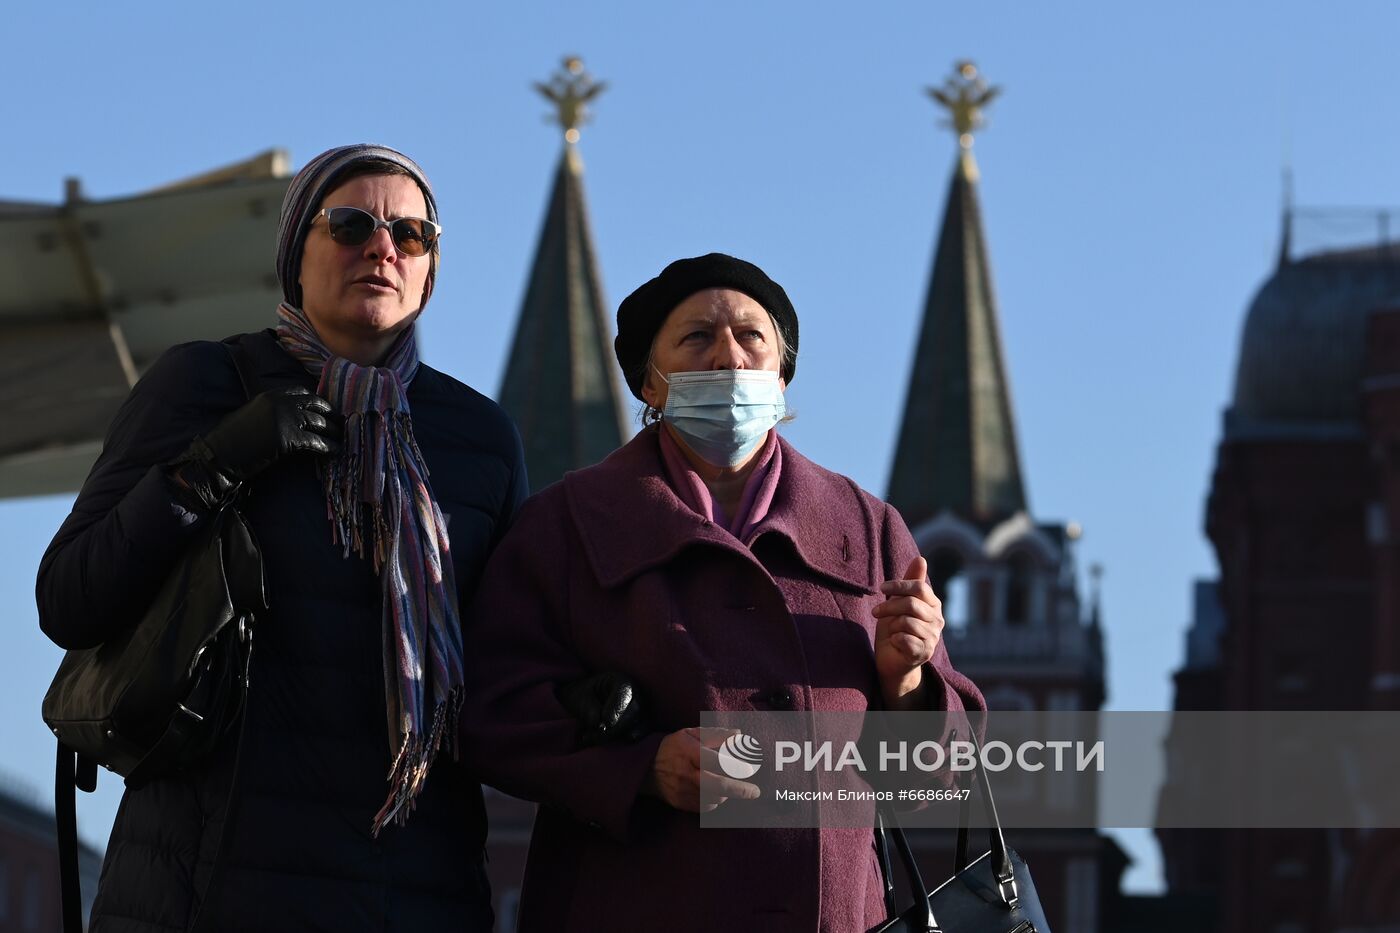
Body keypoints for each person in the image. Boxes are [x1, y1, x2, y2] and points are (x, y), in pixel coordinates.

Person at [36, 144, 526, 932]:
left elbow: (508, 665)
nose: (382, 247)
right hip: (210, 890)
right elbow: (71, 597)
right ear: (295, 256)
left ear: (430, 273)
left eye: (412, 234)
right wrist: (215, 463)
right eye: (351, 223)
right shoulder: (204, 384)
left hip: (415, 890)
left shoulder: (480, 439)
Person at [462, 252, 985, 932]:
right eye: (697, 337)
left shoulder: (869, 527)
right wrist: (642, 767)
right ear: (650, 384)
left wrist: (907, 680)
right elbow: (488, 709)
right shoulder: (566, 525)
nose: (729, 357)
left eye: (750, 336)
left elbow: (934, 779)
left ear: (782, 373)